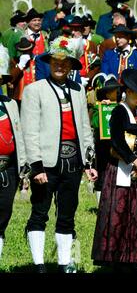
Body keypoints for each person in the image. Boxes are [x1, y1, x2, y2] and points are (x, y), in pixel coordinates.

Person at [21, 36, 98, 273]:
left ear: (72, 66)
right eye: (55, 61)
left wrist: (89, 161)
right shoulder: (35, 90)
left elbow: (84, 127)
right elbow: (29, 130)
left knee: (67, 213)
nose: (60, 66)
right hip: (45, 162)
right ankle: (39, 265)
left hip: (73, 160)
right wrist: (36, 167)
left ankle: (65, 263)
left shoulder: (77, 89)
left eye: (65, 62)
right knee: (40, 212)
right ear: (49, 62)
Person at [91, 69, 137, 272]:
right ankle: (118, 258)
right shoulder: (119, 111)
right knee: (120, 214)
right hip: (122, 168)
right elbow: (116, 140)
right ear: (128, 91)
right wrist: (132, 160)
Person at [0, 49, 26, 261]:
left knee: (3, 214)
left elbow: (19, 134)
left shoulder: (10, 104)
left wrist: (23, 167)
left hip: (8, 170)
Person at [89, 73, 121, 203]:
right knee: (102, 172)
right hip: (102, 147)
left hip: (117, 146)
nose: (116, 93)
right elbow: (95, 123)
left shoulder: (121, 106)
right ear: (107, 93)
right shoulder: (98, 107)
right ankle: (100, 204)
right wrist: (102, 108)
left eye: (117, 90)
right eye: (113, 91)